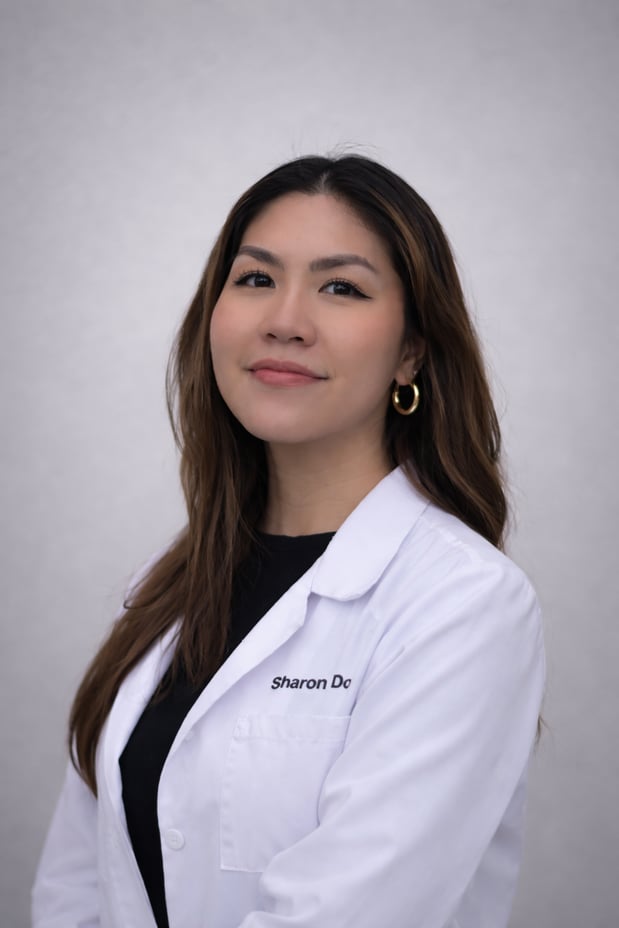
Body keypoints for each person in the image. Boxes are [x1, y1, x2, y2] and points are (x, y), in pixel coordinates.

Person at [32, 154, 545, 928]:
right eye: (255, 278)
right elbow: (76, 888)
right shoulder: (164, 590)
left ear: (411, 351)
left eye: (341, 288)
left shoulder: (462, 603)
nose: (284, 320)